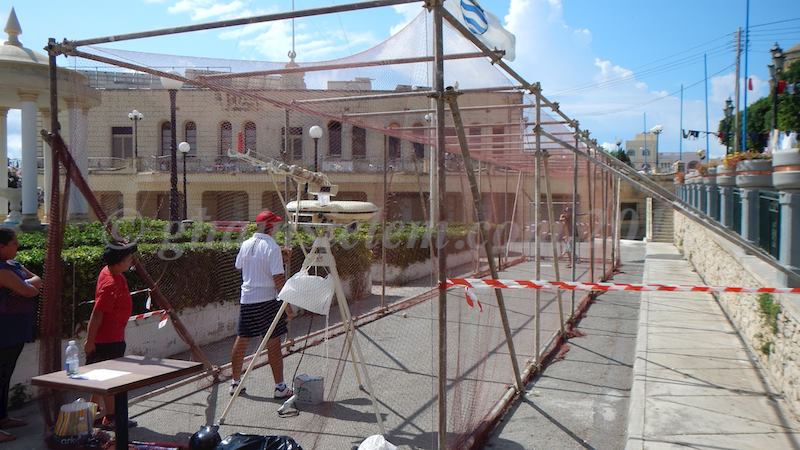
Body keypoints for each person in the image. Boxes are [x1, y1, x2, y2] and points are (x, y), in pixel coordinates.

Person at [229, 210, 294, 398]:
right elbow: (278, 279)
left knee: (242, 339)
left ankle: (234, 383)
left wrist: (273, 258)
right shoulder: (271, 246)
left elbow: (239, 265)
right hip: (267, 301)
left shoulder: (247, 244)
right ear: (270, 226)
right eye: (275, 224)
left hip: (247, 299)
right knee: (273, 343)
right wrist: (288, 307)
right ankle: (280, 388)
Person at [84, 241, 138, 431]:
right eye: (128, 258)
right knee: (110, 381)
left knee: (100, 379)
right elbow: (97, 314)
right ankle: (111, 417)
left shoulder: (113, 273)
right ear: (119, 261)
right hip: (108, 341)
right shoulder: (110, 283)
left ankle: (90, 416)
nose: (132, 261)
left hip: (114, 337)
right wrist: (90, 341)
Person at [0, 228, 41, 443]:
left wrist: (25, 285)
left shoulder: (13, 265)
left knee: (5, 376)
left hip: (16, 331)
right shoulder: (2, 270)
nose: (17, 246)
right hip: (3, 331)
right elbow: (29, 291)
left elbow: (37, 281)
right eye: (13, 243)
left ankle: (2, 418)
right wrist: (25, 287)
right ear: (2, 246)